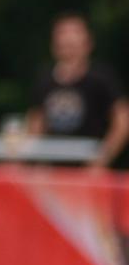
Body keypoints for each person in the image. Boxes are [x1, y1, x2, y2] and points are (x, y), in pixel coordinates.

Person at [27, 13, 129, 168]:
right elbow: (36, 124)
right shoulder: (45, 80)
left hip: (88, 171)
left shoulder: (101, 78)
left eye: (73, 34)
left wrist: (101, 160)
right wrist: (34, 160)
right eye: (63, 35)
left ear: (88, 43)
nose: (68, 39)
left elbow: (123, 121)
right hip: (52, 171)